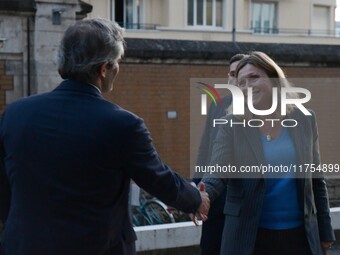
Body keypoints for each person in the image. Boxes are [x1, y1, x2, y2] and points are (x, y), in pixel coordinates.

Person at [0, 18, 209, 255]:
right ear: (103, 69)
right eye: (117, 63)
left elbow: (4, 188)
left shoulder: (15, 115)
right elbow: (157, 178)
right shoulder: (122, 124)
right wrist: (196, 199)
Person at [200, 51, 335, 255]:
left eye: (254, 77)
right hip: (249, 239)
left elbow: (316, 180)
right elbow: (217, 171)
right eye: (242, 82)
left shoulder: (304, 119)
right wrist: (203, 193)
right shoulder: (230, 125)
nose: (247, 87)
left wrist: (325, 232)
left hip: (300, 238)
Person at [194, 53, 248, 255]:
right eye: (233, 74)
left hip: (242, 198)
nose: (236, 79)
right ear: (228, 77)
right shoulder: (217, 105)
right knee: (210, 248)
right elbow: (205, 148)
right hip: (214, 196)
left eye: (241, 74)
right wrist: (199, 186)